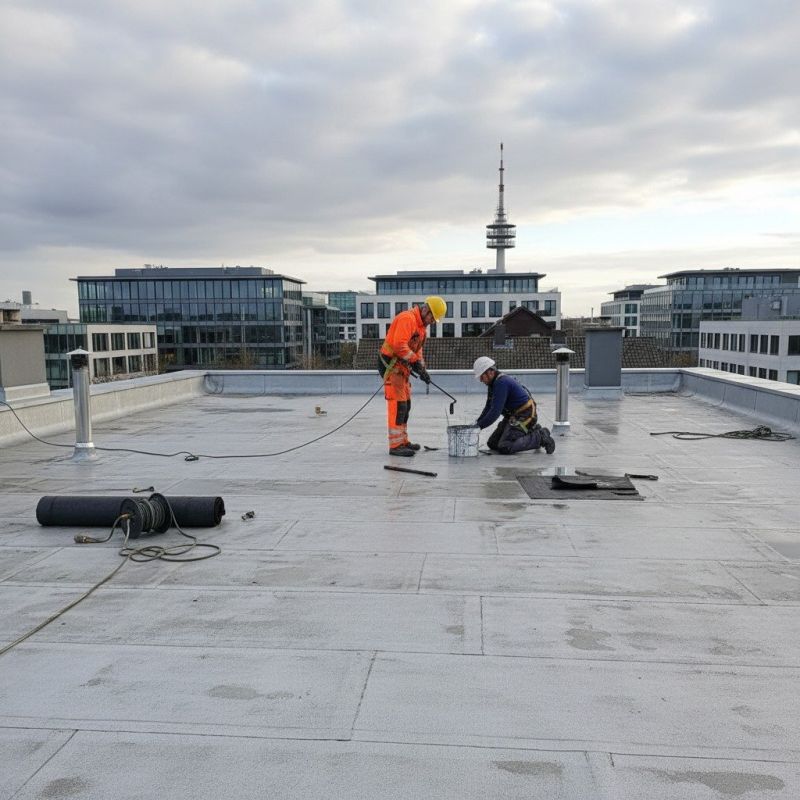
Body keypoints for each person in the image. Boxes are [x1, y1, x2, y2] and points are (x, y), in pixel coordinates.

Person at [378, 296, 447, 456]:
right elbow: (399, 345)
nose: (432, 321)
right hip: (391, 366)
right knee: (398, 405)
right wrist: (415, 362)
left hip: (402, 367)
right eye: (432, 317)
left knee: (406, 405)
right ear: (425, 310)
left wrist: (422, 368)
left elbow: (417, 350)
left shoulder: (421, 327)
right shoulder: (407, 319)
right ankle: (395, 446)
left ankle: (402, 441)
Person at [472, 356, 555, 455]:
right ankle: (532, 431)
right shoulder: (492, 384)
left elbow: (495, 412)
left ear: (490, 372)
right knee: (493, 443)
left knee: (505, 446)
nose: (481, 380)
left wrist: (479, 427)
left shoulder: (501, 383)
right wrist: (476, 424)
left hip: (525, 415)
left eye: (482, 376)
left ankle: (540, 437)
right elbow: (488, 407)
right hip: (513, 416)